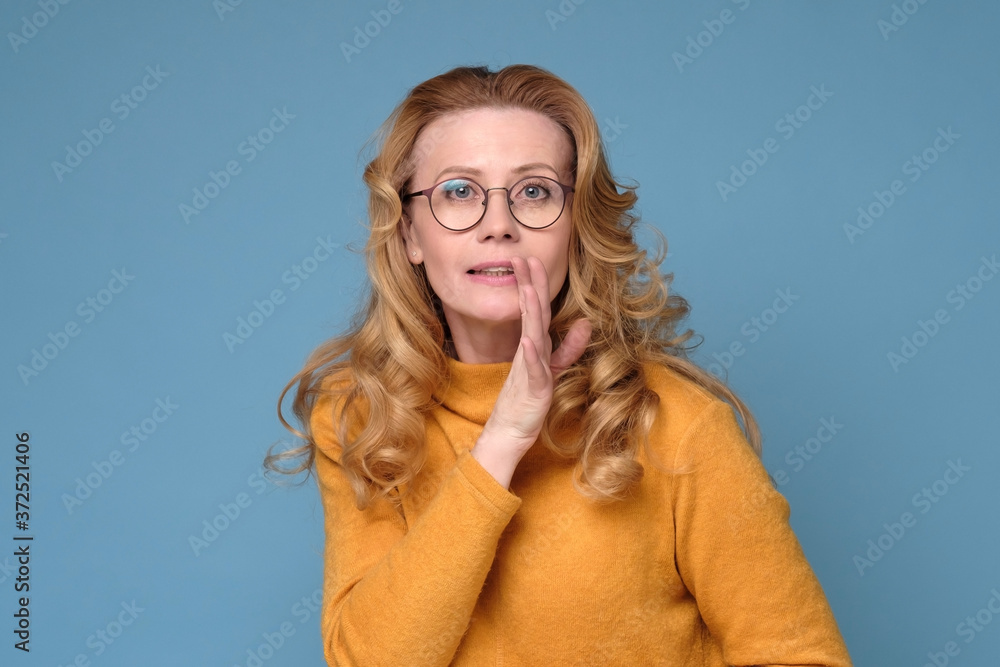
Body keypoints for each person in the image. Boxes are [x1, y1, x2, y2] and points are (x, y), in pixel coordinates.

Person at [266, 64, 853, 666]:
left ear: (575, 229)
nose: (499, 226)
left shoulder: (678, 423)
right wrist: (503, 441)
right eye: (459, 191)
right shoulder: (361, 417)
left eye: (535, 191)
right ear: (411, 234)